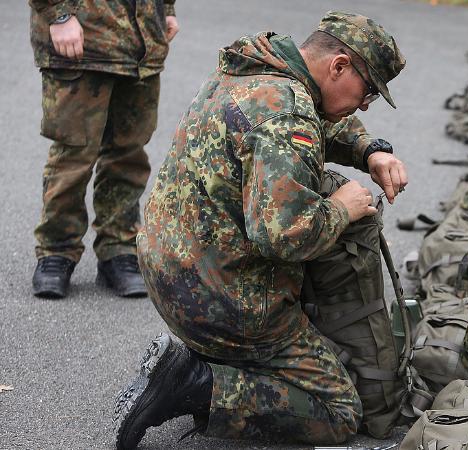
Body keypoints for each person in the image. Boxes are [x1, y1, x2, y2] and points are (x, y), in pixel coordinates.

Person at [112, 11, 408, 449]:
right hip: (225, 305)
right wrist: (343, 210)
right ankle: (197, 383)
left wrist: (369, 149)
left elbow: (320, 113)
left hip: (170, 271)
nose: (365, 105)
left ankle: (207, 358)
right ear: (339, 66)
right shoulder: (286, 115)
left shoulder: (256, 66)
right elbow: (285, 235)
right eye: (367, 93)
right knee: (341, 411)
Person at [29, 0, 180, 299]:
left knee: (129, 154)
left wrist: (167, 8)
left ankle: (119, 249)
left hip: (142, 42)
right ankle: (56, 251)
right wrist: (57, 14)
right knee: (73, 156)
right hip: (82, 39)